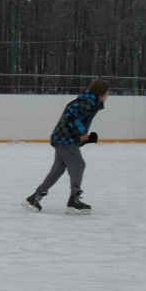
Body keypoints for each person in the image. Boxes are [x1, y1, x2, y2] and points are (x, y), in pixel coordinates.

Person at [23, 78, 110, 215]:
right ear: (102, 92)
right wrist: (82, 132)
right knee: (79, 164)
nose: (107, 96)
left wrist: (84, 137)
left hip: (64, 138)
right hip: (65, 139)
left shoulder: (90, 102)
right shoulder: (87, 102)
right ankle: (74, 201)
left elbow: (75, 119)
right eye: (107, 93)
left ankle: (35, 198)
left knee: (58, 169)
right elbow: (70, 116)